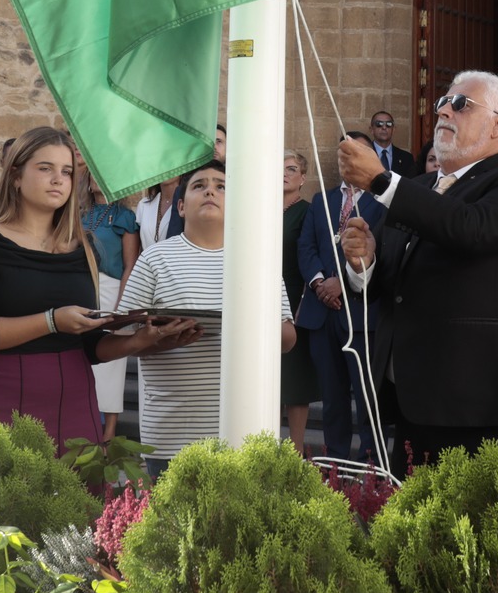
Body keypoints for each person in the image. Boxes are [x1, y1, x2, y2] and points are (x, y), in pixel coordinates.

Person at [337, 70, 498, 478]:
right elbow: (390, 283)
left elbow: (470, 228)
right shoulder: (416, 188)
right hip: (412, 400)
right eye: (442, 102)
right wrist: (363, 264)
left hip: (483, 402)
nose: (444, 111)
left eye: (461, 104)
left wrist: (382, 180)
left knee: (483, 537)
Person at [100, 160, 296, 476]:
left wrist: (247, 326)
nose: (210, 191)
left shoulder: (258, 261)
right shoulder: (154, 259)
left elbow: (287, 339)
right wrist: (153, 341)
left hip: (242, 430)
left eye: (221, 186)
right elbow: (118, 339)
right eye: (199, 185)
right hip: (169, 434)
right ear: (180, 206)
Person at [0, 127, 116, 450]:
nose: (58, 179)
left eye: (66, 172)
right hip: (5, 394)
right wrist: (52, 320)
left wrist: (143, 340)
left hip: (76, 398)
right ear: (15, 175)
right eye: (46, 168)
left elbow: (90, 344)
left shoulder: (84, 247)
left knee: (80, 498)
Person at [298, 135, 390, 464]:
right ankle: (336, 465)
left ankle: (371, 467)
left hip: (363, 313)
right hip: (323, 315)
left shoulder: (383, 202)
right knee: (333, 398)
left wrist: (343, 284)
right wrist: (321, 281)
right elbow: (306, 248)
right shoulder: (322, 200)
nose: (346, 160)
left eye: (354, 153)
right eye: (341, 154)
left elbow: (383, 250)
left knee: (367, 398)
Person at [77, 156, 140, 440]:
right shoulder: (80, 215)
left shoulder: (126, 218)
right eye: (94, 174)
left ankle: (109, 433)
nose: (98, 179)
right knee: (84, 359)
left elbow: (130, 264)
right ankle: (86, 425)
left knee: (113, 363)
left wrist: (122, 306)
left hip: (113, 289)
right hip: (84, 288)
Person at [277, 151, 319, 454]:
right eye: (279, 167)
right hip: (257, 296)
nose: (285, 173)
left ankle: (296, 451)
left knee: (294, 379)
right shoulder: (260, 207)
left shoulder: (308, 211)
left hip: (294, 298)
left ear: (303, 178)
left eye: (291, 169)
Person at [366, 110, 418, 177]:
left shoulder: (406, 158)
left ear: (393, 130)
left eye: (388, 124)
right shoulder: (364, 154)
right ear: (371, 129)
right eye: (379, 124)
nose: (384, 127)